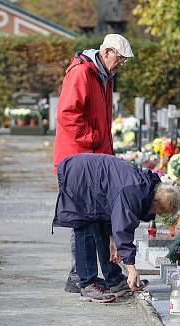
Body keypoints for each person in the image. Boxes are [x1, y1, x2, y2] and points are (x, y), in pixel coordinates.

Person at [53, 34, 134, 294]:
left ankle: (88, 276)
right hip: (79, 159)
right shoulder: (82, 73)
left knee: (97, 217)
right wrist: (95, 140)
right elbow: (68, 115)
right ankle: (81, 278)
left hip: (94, 159)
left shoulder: (103, 77)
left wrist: (105, 153)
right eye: (119, 59)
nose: (121, 65)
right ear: (107, 52)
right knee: (85, 219)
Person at [53, 153, 180, 303]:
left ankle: (114, 280)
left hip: (92, 177)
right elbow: (123, 228)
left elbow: (114, 216)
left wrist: (112, 239)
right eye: (160, 211)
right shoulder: (135, 193)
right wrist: (131, 269)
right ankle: (87, 284)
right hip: (80, 176)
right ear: (156, 202)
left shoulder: (146, 188)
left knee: (101, 225)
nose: (156, 215)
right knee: (85, 226)